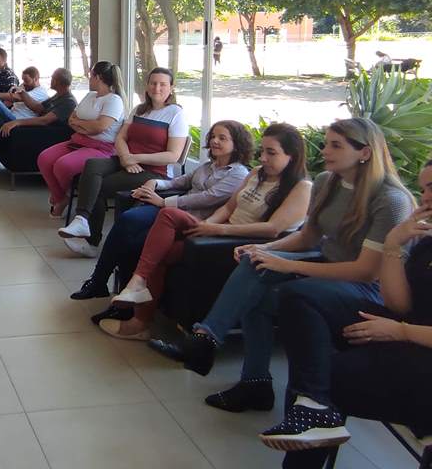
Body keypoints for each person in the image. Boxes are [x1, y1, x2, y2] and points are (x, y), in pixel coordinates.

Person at [172, 118, 413, 417]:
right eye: (326, 143)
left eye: (336, 145)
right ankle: (228, 358)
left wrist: (286, 264)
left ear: (364, 152)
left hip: (364, 287)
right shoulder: (327, 181)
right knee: (255, 265)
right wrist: (264, 249)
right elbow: (307, 237)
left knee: (269, 292)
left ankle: (213, 349)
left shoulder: (390, 200)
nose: (325, 151)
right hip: (327, 265)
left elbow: (365, 271)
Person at [262, 160, 432, 465]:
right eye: (423, 190)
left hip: (420, 348)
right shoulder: (427, 241)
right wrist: (393, 244)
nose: (425, 198)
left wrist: (401, 331)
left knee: (324, 376)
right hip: (406, 330)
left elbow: (398, 315)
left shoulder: (390, 198)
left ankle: (315, 406)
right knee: (300, 296)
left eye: (431, 188)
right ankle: (313, 409)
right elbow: (399, 305)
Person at [100, 123, 310, 342]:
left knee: (168, 214)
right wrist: (206, 226)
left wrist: (217, 229)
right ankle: (139, 315)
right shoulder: (257, 173)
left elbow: (273, 229)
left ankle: (137, 292)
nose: (263, 158)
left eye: (271, 153)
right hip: (217, 232)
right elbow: (228, 207)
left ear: (292, 155)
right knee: (159, 251)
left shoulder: (302, 188)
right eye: (263, 151)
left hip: (238, 244)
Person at [70, 121, 252, 318]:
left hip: (192, 220)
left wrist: (164, 202)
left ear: (237, 144)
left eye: (222, 138)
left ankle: (119, 300)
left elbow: (208, 198)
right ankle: (103, 283)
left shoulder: (239, 174)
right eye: (213, 136)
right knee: (128, 220)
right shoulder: (208, 166)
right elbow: (179, 182)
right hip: (172, 211)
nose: (215, 141)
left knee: (135, 237)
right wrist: (153, 183)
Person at [57, 67, 190, 258]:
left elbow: (173, 156)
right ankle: (81, 220)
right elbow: (120, 137)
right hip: (126, 160)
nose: (157, 88)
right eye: (153, 83)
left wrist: (135, 158)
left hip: (154, 171)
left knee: (99, 186)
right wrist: (126, 158)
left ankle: (92, 242)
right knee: (93, 165)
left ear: (171, 88)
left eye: (163, 84)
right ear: (147, 86)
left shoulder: (175, 114)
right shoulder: (139, 110)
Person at [36, 61, 127, 218]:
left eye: (90, 75)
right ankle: (61, 198)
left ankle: (61, 199)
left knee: (62, 166)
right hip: (79, 140)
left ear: (98, 77)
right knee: (44, 158)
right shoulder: (90, 95)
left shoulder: (114, 100)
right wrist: (86, 127)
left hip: (102, 148)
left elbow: (100, 127)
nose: (88, 78)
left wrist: (82, 125)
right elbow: (71, 119)